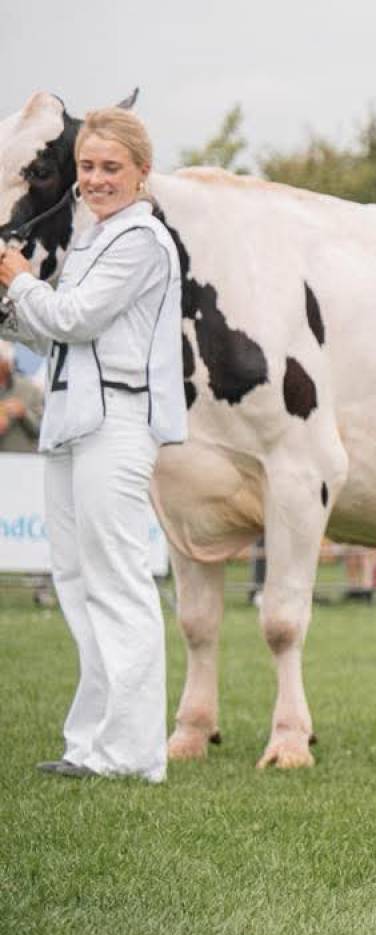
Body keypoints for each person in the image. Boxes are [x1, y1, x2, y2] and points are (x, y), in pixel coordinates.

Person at [0, 108, 186, 782]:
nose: (98, 178)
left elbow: (76, 316)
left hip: (116, 420)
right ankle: (92, 742)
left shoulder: (141, 240)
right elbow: (58, 335)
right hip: (74, 417)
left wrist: (19, 276)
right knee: (78, 582)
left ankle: (134, 752)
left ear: (141, 172)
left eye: (112, 166)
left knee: (117, 582)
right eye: (88, 166)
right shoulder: (91, 239)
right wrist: (16, 305)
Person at [0, 338, 45, 451]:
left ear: (7, 363)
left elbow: (42, 430)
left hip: (23, 463)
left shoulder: (30, 389)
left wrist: (24, 413)